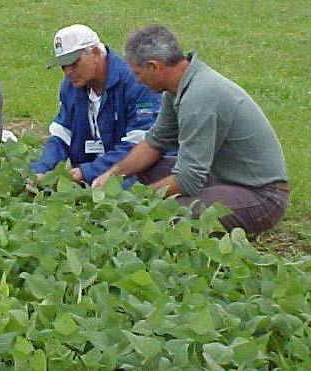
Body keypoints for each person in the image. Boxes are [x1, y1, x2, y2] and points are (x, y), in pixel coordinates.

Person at [92, 25, 288, 234]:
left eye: (137, 73)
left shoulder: (199, 98)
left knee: (166, 213)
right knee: (147, 168)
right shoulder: (176, 88)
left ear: (154, 67)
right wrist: (112, 174)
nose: (137, 80)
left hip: (261, 195)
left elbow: (189, 177)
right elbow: (155, 142)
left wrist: (136, 201)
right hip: (219, 177)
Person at [30, 24, 161, 186]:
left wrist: (88, 171)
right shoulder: (70, 86)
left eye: (74, 63)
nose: (68, 72)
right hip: (90, 175)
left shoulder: (136, 81)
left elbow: (142, 142)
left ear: (96, 53)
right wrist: (41, 169)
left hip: (136, 172)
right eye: (63, 66)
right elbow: (61, 135)